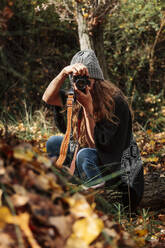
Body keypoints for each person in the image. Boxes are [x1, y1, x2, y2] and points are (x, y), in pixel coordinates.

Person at [42, 49, 144, 211]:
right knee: (54, 143)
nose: (83, 84)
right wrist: (62, 74)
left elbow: (98, 146)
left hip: (118, 171)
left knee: (84, 154)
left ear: (97, 80)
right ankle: (77, 184)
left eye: (87, 80)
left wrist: (87, 107)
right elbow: (47, 98)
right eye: (78, 80)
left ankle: (99, 200)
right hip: (92, 161)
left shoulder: (115, 102)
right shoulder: (74, 95)